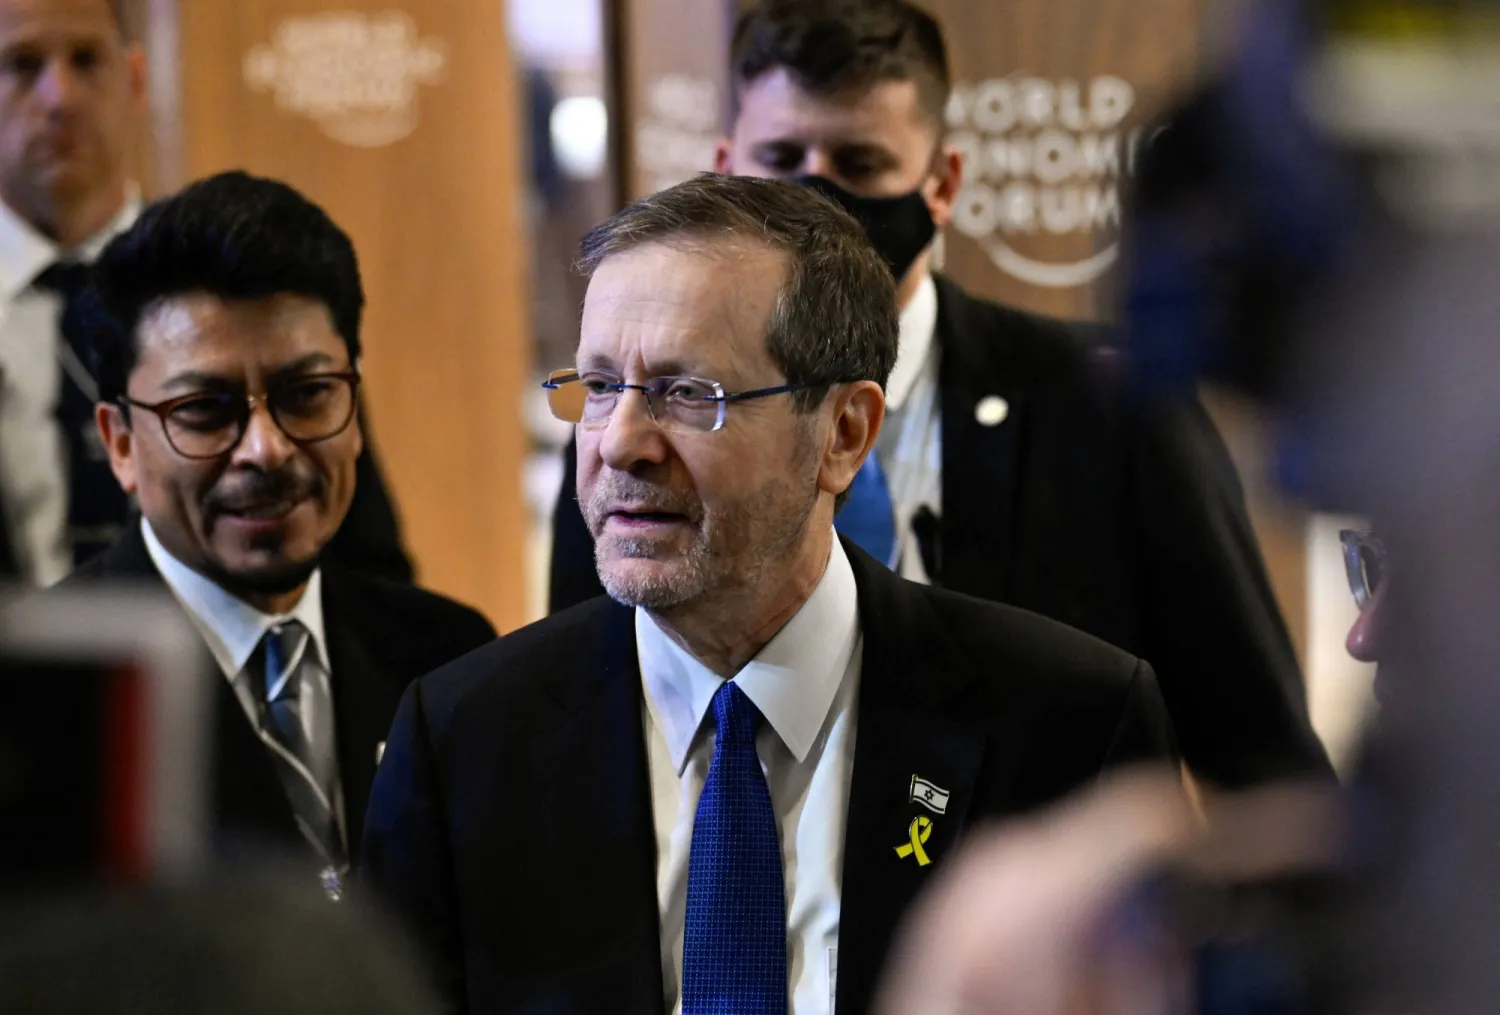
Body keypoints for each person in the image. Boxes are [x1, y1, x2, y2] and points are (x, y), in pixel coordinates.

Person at [362, 173, 1177, 1015]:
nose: (622, 442)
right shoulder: (464, 742)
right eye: (600, 386)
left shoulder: (1072, 724)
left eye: (688, 393)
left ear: (844, 433)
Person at [546, 0, 1330, 790]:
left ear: (942, 183)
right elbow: (582, 717)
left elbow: (1262, 756)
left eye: (859, 163)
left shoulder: (1111, 408)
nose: (818, 199)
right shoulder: (633, 435)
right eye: (781, 158)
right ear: (724, 171)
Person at [63, 170, 496, 895]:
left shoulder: (449, 660)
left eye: (307, 394)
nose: (265, 449)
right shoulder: (53, 698)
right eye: (205, 409)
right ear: (121, 443)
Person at [0, 0, 413, 585]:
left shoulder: (246, 279)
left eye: (87, 60)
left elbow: (370, 573)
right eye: (21, 65)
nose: (59, 98)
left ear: (134, 78)